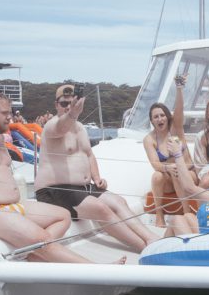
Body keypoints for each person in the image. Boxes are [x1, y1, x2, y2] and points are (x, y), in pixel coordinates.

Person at [0, 92, 120, 264]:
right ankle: (98, 269)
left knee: (63, 216)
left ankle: (34, 252)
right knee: (42, 238)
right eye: (5, 113)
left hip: (13, 205)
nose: (10, 118)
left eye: (10, 112)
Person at [35, 85, 159, 252]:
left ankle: (151, 238)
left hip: (82, 188)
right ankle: (145, 248)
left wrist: (97, 177)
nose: (68, 107)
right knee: (100, 208)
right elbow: (61, 128)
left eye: (72, 103)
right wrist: (73, 113)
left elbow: (88, 154)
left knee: (118, 201)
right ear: (56, 105)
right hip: (54, 190)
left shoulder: (79, 127)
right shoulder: (51, 126)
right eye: (64, 104)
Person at [143, 75, 196, 227]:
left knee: (177, 172)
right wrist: (168, 167)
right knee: (156, 176)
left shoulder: (176, 129)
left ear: (167, 117)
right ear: (152, 121)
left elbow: (179, 109)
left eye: (162, 115)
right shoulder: (149, 139)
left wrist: (179, 88)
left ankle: (187, 213)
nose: (160, 119)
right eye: (156, 117)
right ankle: (159, 215)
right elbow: (155, 164)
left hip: (188, 175)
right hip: (168, 178)